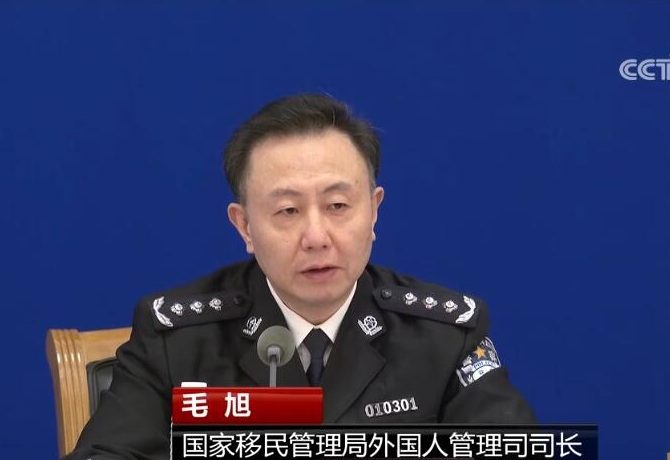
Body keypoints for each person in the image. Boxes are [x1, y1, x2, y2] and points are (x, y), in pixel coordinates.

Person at [63, 93, 535, 460]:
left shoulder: (443, 336)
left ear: (374, 211)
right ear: (245, 226)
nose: (316, 237)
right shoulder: (177, 339)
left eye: (337, 205)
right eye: (288, 211)